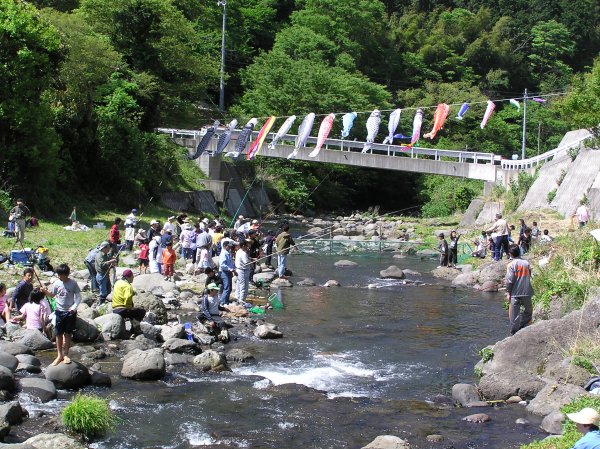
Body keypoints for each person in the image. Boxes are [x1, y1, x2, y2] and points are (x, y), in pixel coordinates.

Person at [49, 264, 81, 365]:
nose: (58, 276)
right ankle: (59, 355)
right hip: (59, 311)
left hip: (70, 312)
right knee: (58, 334)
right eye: (58, 274)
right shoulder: (56, 283)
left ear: (66, 274)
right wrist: (45, 292)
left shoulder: (73, 283)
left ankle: (66, 354)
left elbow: (79, 296)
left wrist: (74, 307)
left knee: (68, 333)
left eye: (60, 275)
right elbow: (52, 295)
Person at [505, 245, 534, 335]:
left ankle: (514, 332)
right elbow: (529, 274)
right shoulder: (526, 263)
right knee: (528, 310)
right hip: (527, 291)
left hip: (515, 292)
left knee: (514, 314)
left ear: (510, 254)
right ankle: (524, 326)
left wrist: (508, 292)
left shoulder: (511, 265)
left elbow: (510, 280)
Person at [112, 269, 146, 335]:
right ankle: (135, 329)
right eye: (132, 276)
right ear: (128, 277)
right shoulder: (128, 286)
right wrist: (130, 307)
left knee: (132, 312)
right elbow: (127, 298)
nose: (133, 278)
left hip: (115, 309)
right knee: (141, 311)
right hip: (122, 310)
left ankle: (132, 328)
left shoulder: (118, 283)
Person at [219, 239, 238, 305]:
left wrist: (234, 270)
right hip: (225, 272)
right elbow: (222, 265)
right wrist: (230, 269)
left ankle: (226, 302)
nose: (230, 248)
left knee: (229, 289)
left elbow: (230, 263)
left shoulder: (227, 253)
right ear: (225, 246)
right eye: (228, 246)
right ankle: (222, 302)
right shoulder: (224, 253)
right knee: (227, 288)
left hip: (229, 272)